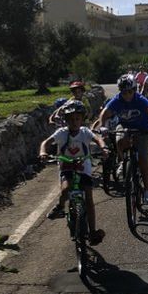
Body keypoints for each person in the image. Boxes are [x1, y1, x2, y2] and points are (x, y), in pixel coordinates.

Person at [39, 100, 107, 245]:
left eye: (77, 118)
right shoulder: (62, 133)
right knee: (65, 190)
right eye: (70, 119)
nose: (74, 122)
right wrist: (43, 152)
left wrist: (103, 147)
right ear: (66, 120)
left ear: (82, 119)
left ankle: (93, 231)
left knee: (88, 197)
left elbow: (97, 138)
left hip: (84, 167)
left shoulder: (84, 132)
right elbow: (46, 142)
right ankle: (59, 207)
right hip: (67, 166)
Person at [94, 74, 148, 204]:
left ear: (134, 90)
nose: (127, 95)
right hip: (125, 127)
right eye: (124, 92)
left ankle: (147, 190)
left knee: (143, 159)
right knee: (119, 140)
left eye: (130, 91)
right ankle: (123, 161)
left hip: (143, 129)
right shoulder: (117, 100)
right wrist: (102, 126)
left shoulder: (140, 99)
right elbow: (104, 113)